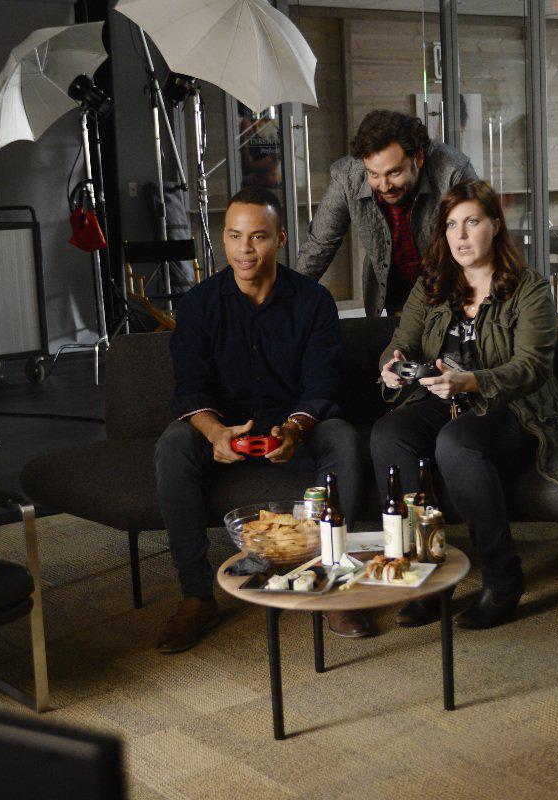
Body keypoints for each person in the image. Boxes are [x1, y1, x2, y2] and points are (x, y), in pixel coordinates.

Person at [154, 187, 367, 654]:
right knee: (173, 445)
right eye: (234, 236)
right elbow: (189, 388)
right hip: (223, 427)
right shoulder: (198, 305)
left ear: (281, 239)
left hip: (295, 428)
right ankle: (196, 596)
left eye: (258, 237)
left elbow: (322, 387)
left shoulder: (313, 301)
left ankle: (332, 580)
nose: (245, 249)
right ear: (223, 239)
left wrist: (293, 429)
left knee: (345, 438)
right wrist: (213, 433)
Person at [372, 180, 558, 629]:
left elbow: (532, 367)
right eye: (451, 225)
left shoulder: (529, 288)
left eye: (472, 222)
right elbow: (401, 343)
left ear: (495, 226)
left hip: (516, 409)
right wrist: (391, 366)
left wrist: (472, 380)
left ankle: (502, 578)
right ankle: (424, 573)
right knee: (389, 434)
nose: (460, 236)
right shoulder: (431, 285)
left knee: (458, 443)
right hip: (442, 398)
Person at [296, 109, 477, 317]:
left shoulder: (454, 171)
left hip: (454, 296)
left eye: (394, 173)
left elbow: (480, 246)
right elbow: (319, 246)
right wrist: (286, 303)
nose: (384, 186)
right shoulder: (348, 177)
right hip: (397, 300)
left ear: (418, 157)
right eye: (373, 174)